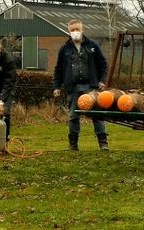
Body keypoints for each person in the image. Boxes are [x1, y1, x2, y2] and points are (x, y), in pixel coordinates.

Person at [53, 19, 109, 151]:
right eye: (72, 30)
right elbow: (58, 69)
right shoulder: (64, 49)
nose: (75, 32)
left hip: (91, 87)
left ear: (82, 29)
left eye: (77, 29)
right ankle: (73, 145)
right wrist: (56, 86)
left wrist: (102, 80)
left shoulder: (92, 46)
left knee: (97, 115)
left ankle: (103, 143)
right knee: (73, 116)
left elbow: (103, 64)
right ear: (69, 31)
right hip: (73, 88)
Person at [0, 40, 17, 142]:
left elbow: (9, 82)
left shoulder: (8, 60)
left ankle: (5, 141)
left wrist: (1, 101)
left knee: (4, 113)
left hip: (8, 89)